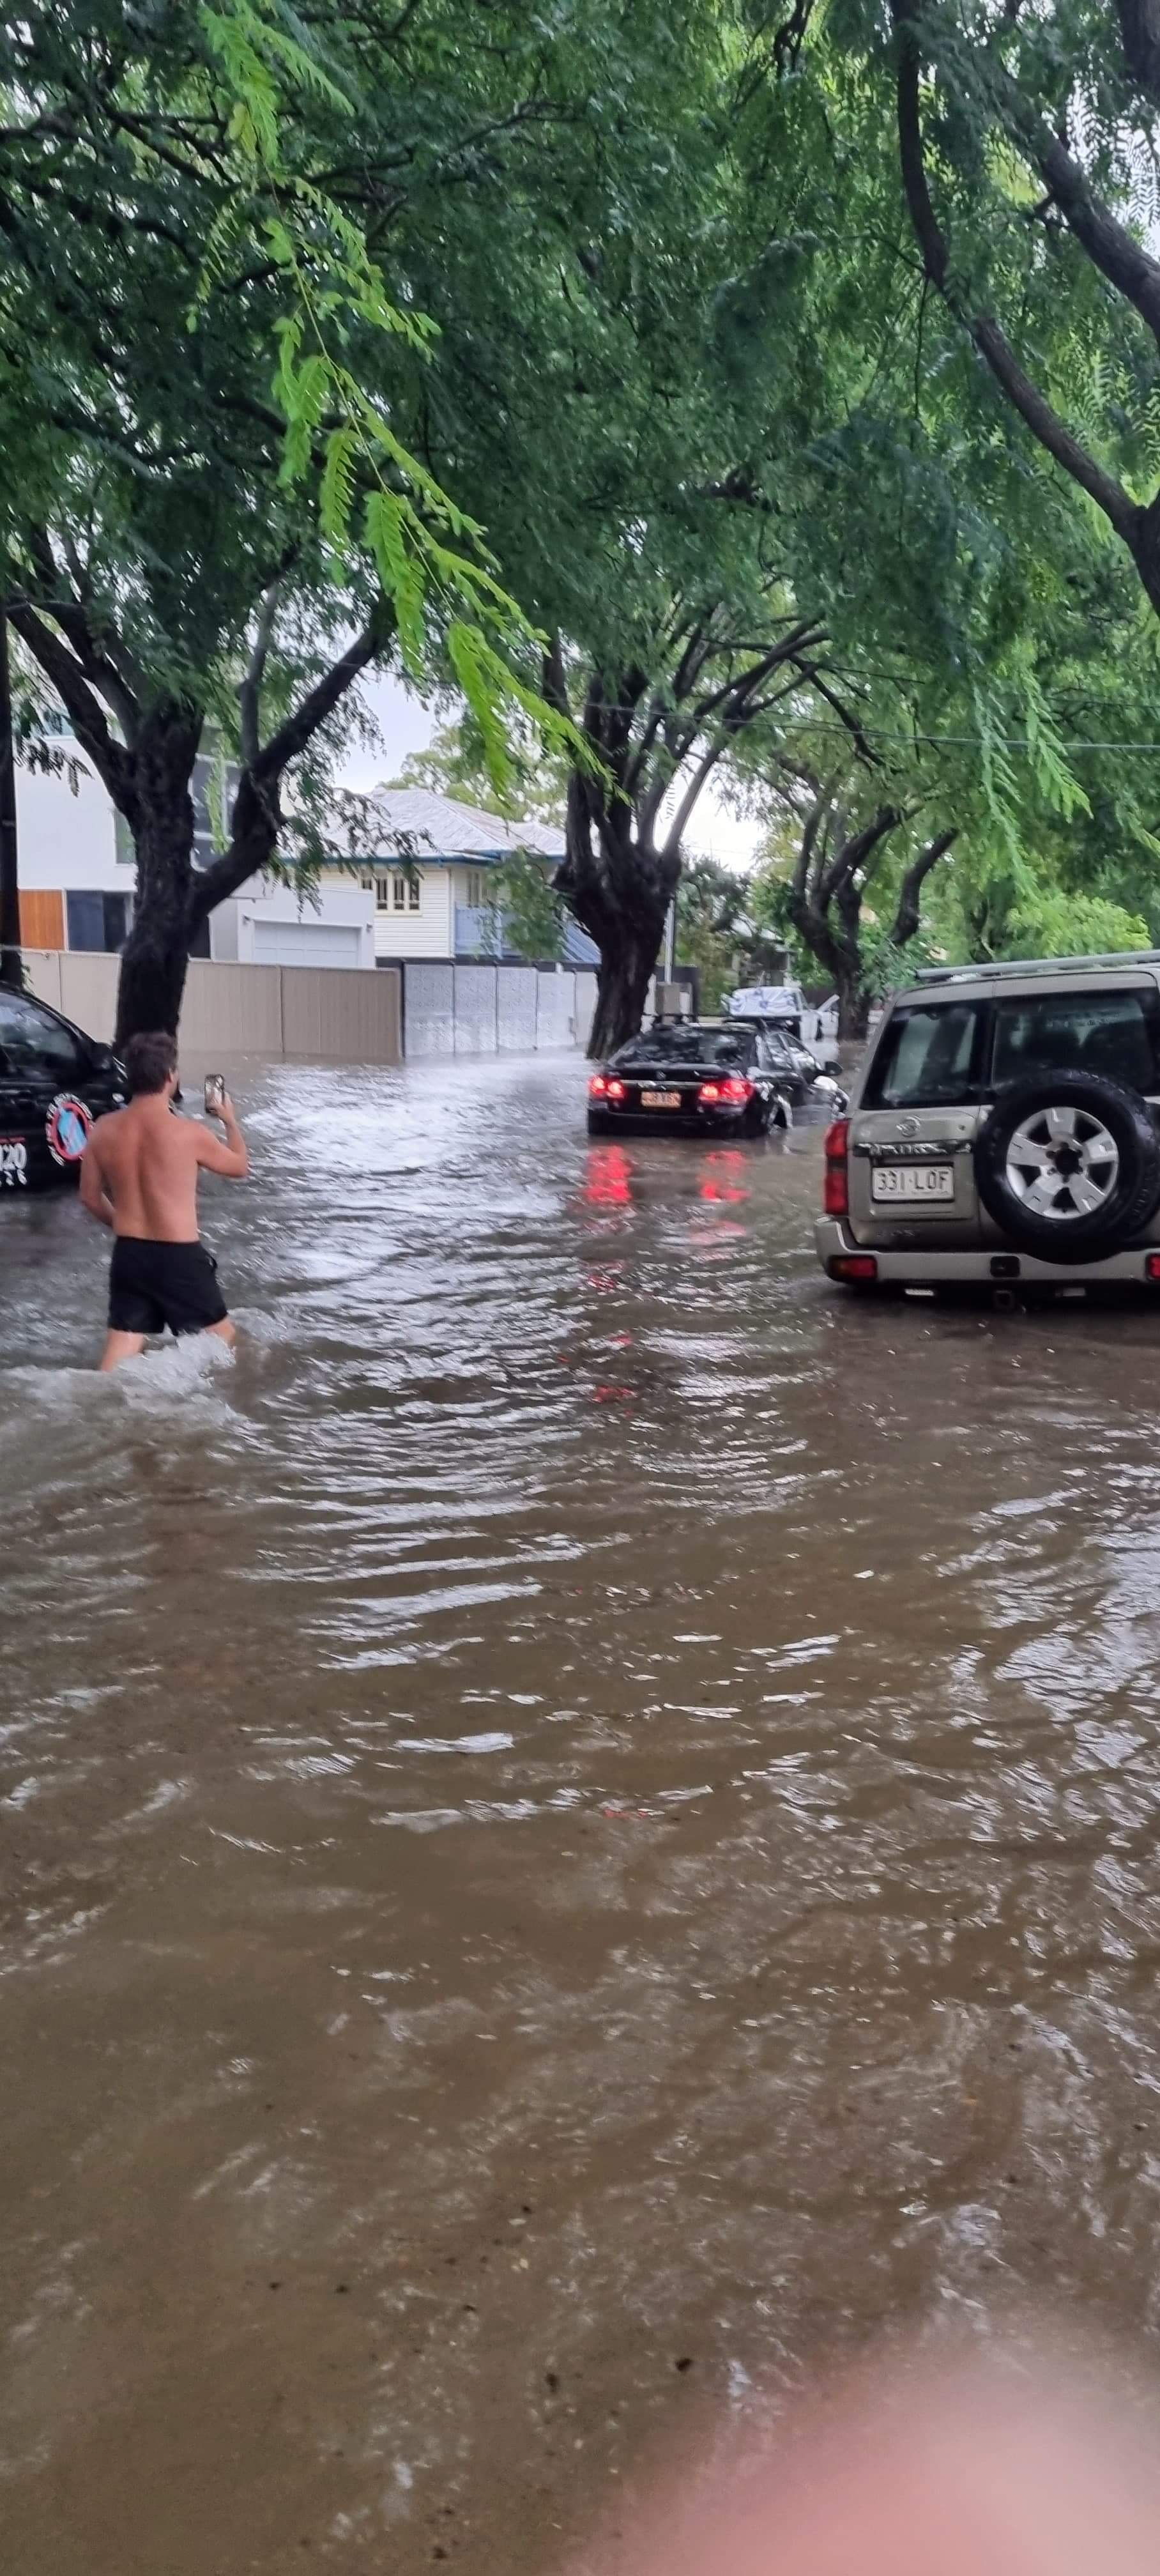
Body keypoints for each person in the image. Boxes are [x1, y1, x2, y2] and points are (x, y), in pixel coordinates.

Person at [79, 1029, 248, 1371]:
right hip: (179, 1258)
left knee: (119, 1355)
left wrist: (124, 1224)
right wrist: (230, 1120)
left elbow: (90, 1197)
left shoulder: (103, 1129)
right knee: (230, 1347)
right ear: (170, 1076)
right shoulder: (189, 1134)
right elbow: (239, 1166)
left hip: (129, 1254)